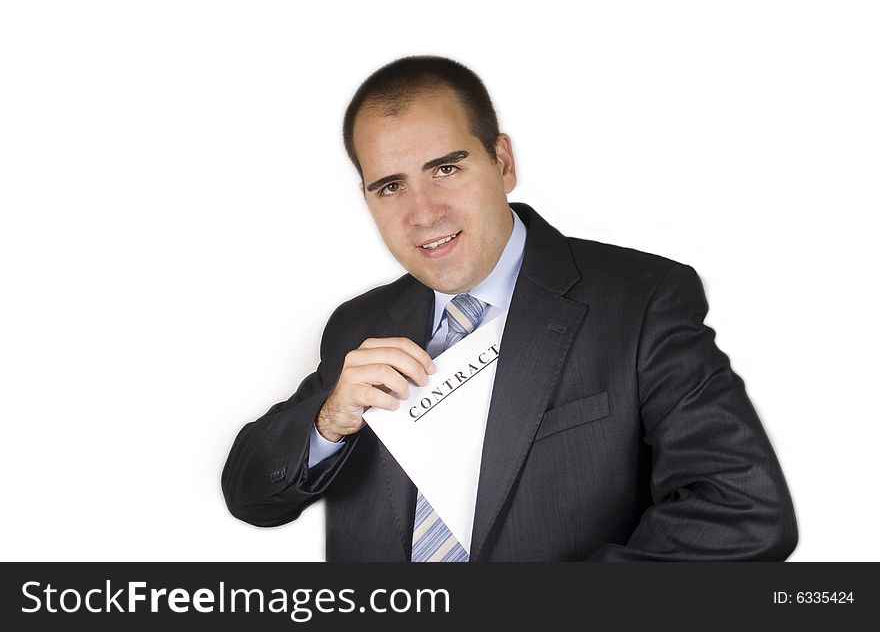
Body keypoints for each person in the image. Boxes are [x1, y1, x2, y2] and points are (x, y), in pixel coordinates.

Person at [221, 55, 798, 561]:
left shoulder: (640, 298)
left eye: (446, 169)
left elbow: (742, 509)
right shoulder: (358, 326)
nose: (423, 214)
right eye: (390, 186)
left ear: (502, 162)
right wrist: (331, 420)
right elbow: (251, 497)